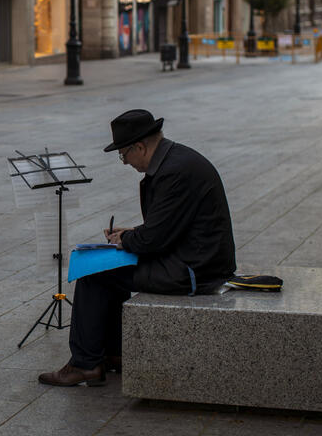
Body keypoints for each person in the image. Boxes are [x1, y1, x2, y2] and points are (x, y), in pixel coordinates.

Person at [39, 110, 236, 387]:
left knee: (94, 273)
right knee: (110, 268)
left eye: (123, 155)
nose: (124, 162)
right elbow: (168, 226)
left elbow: (154, 239)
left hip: (194, 270)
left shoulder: (174, 173)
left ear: (140, 147)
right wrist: (130, 234)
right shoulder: (176, 161)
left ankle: (85, 364)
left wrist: (127, 240)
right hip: (192, 258)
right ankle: (114, 353)